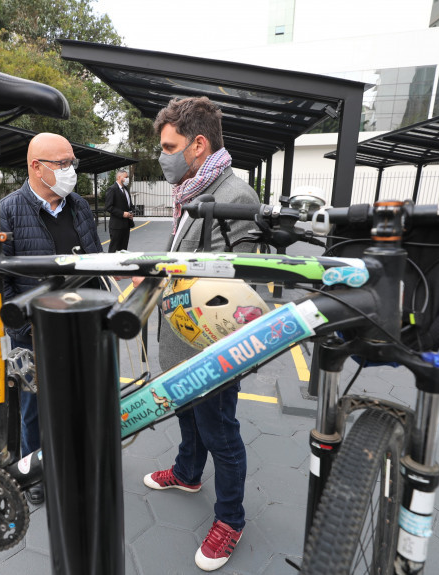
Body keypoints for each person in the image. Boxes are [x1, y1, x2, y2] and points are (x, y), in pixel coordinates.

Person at [141, 96, 260, 571]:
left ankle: (230, 518)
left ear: (198, 144)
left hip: (212, 345)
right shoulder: (191, 191)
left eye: (169, 146)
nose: (163, 156)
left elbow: (240, 282)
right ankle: (189, 473)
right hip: (179, 339)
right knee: (187, 414)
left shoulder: (236, 197)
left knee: (220, 431)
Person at [0, 132, 103, 505]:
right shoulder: (8, 211)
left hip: (82, 326)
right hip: (34, 333)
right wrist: (23, 330)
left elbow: (96, 263)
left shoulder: (80, 207)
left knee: (82, 400)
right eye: (61, 163)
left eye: (71, 162)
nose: (69, 170)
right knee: (34, 410)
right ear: (35, 167)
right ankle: (35, 474)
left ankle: (75, 460)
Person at [104, 169, 134, 252]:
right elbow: (108, 207)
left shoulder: (126, 189)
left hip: (126, 225)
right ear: (119, 177)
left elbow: (129, 204)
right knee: (114, 249)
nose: (128, 179)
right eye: (126, 177)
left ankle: (122, 264)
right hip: (116, 226)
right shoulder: (112, 189)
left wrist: (131, 212)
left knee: (123, 250)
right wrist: (122, 214)